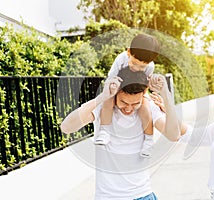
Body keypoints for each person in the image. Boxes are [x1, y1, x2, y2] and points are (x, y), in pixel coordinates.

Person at [60, 67, 181, 200]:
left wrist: (166, 95)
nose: (129, 108)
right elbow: (66, 127)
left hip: (142, 194)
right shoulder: (102, 109)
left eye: (135, 103)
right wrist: (102, 97)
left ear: (143, 94)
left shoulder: (150, 108)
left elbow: (174, 135)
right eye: (124, 102)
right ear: (116, 93)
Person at [95, 33, 160, 158]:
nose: (137, 68)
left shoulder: (150, 66)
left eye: (142, 66)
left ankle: (149, 140)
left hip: (137, 92)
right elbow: (111, 78)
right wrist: (113, 91)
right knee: (107, 102)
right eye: (134, 63)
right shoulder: (121, 59)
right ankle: (104, 131)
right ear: (129, 52)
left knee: (145, 108)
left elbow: (145, 85)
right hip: (118, 89)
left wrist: (142, 97)